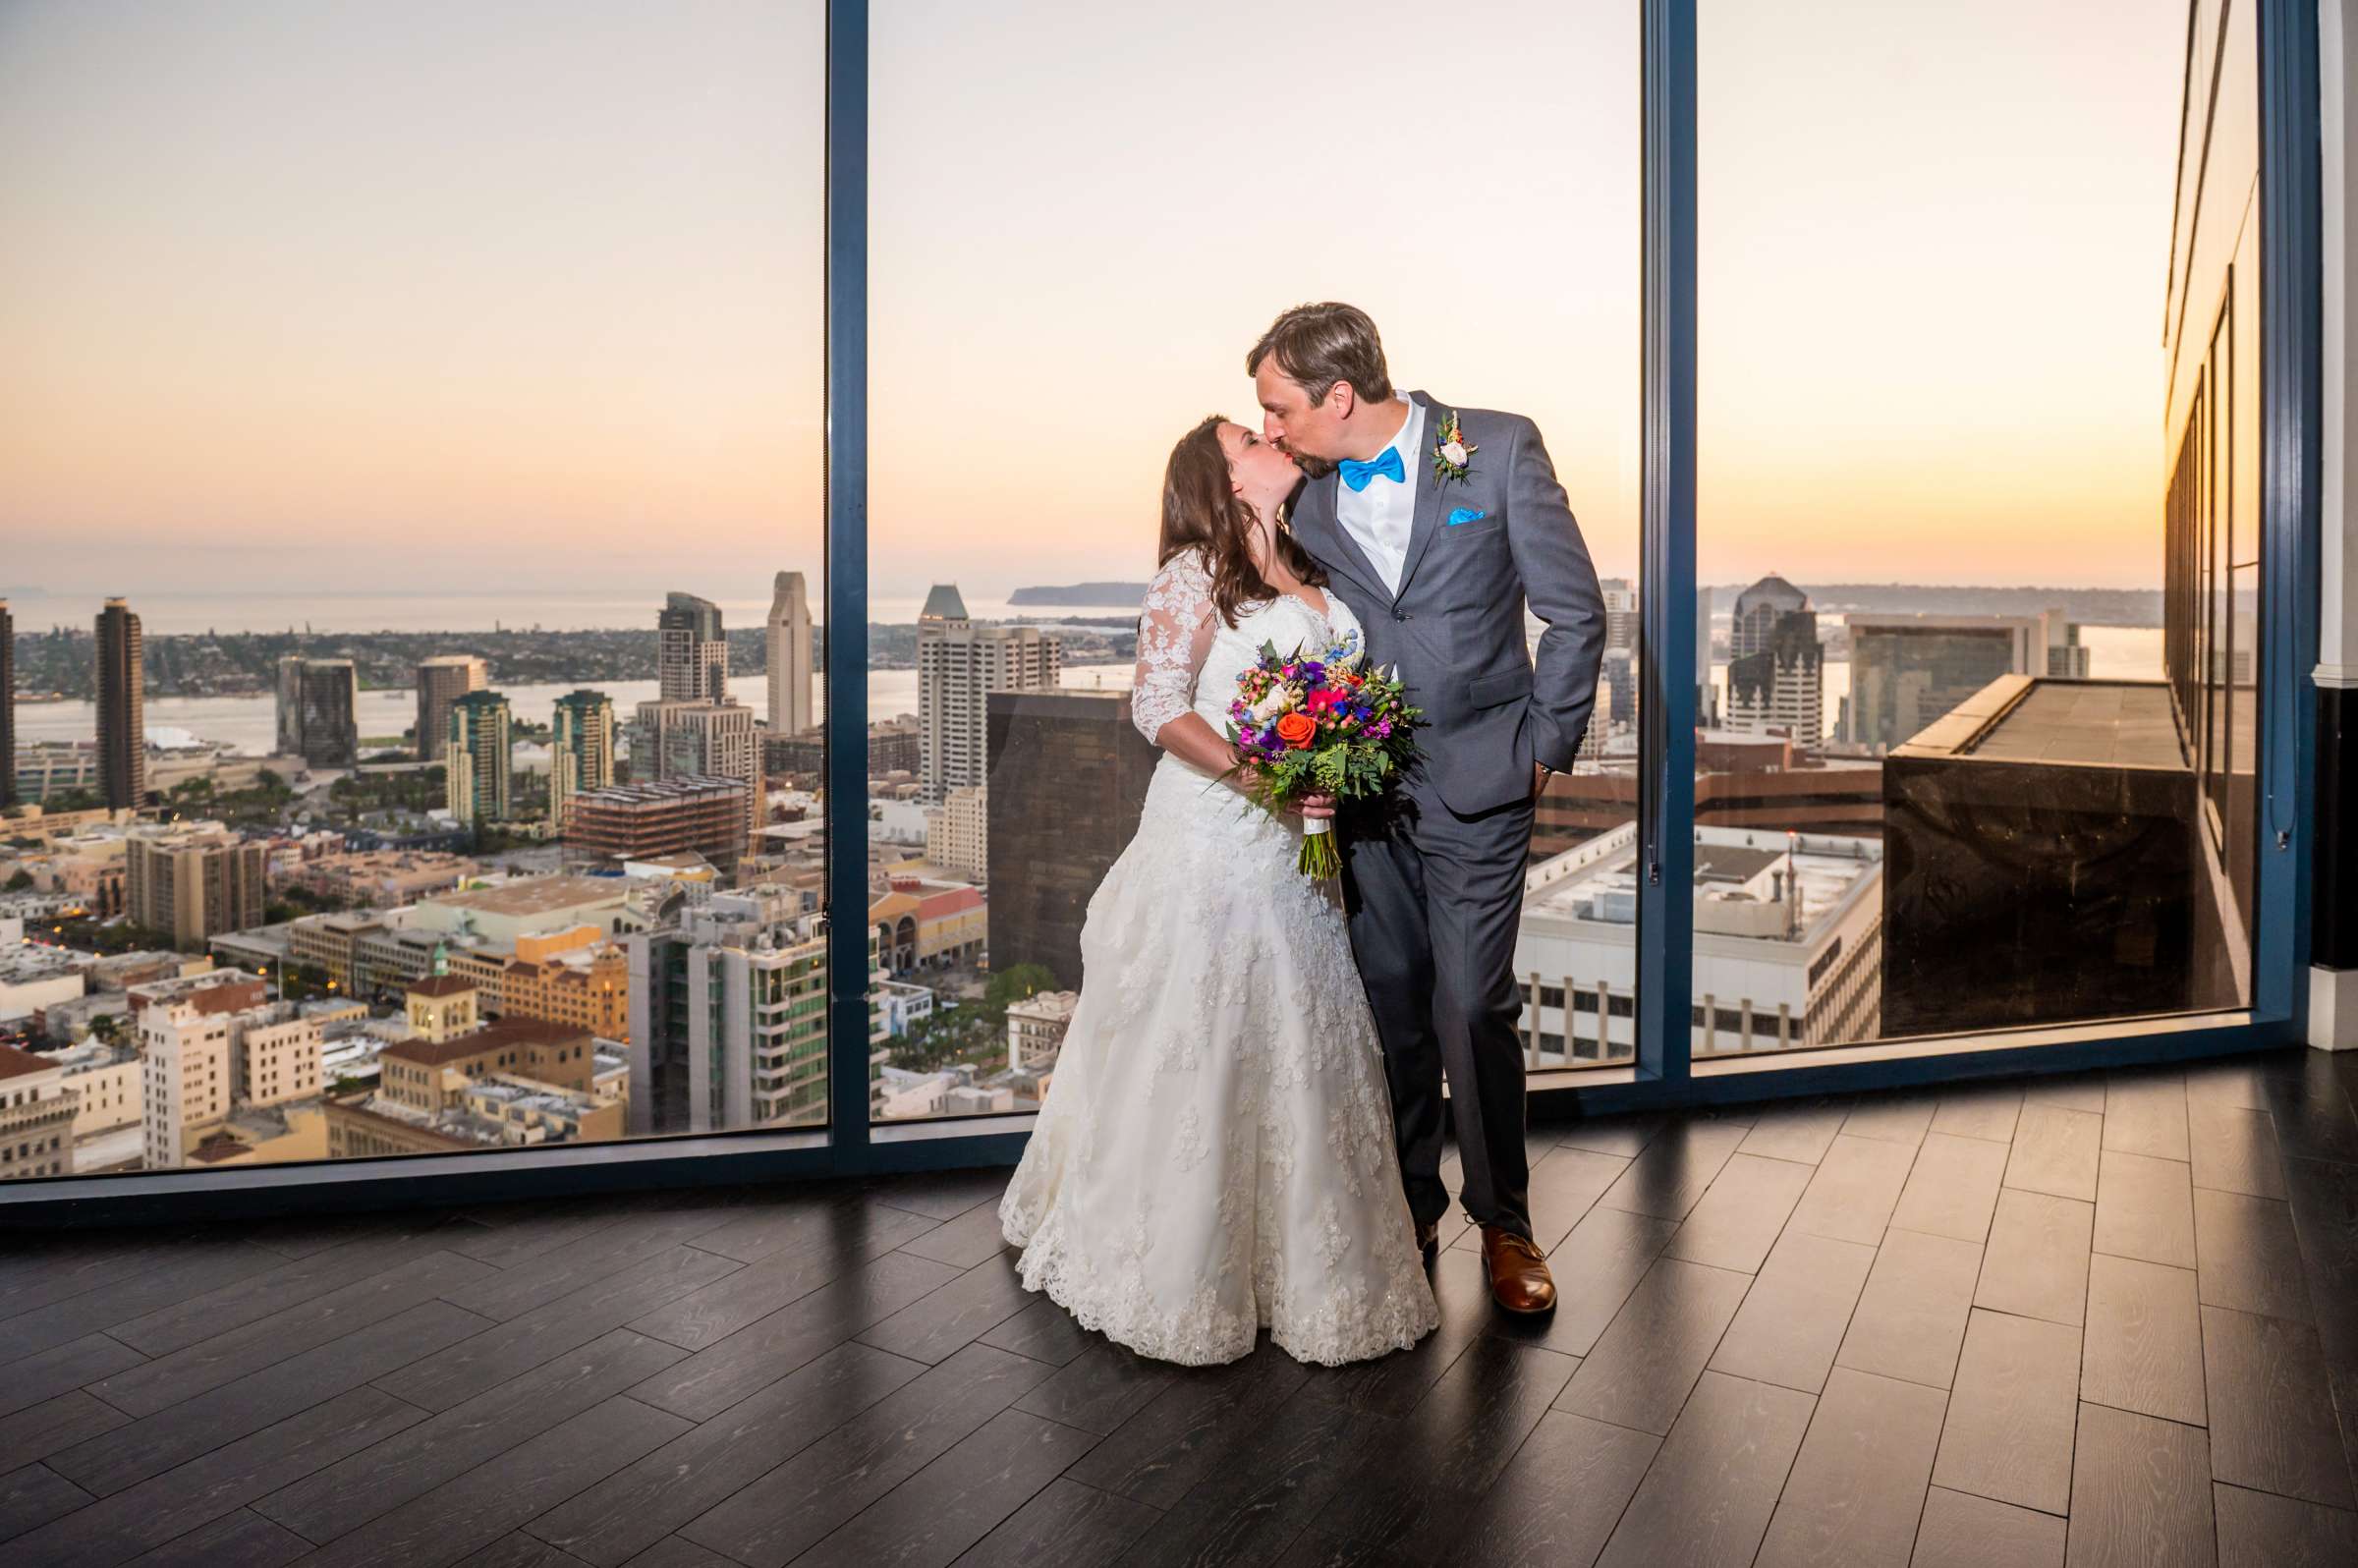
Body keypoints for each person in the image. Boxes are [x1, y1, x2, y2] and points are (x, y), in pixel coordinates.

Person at [998, 415, 1440, 1368]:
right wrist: (1264, 776)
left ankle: (1295, 1261)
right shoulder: (1193, 574)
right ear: (1227, 478)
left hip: (1302, 845)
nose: (1274, 436)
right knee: (1206, 1029)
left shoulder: (1315, 569)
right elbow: (1154, 703)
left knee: (1299, 1028)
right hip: (1213, 835)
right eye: (1252, 433)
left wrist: (1337, 762)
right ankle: (1176, 1256)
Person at [1252, 302, 1607, 1315]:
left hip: (1484, 784)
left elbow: (1575, 611)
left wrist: (1545, 748)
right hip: (1365, 795)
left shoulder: (1495, 449)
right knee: (1392, 1004)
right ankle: (1409, 1205)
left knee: (1469, 1004)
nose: (1274, 429)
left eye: (1281, 409)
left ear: (1340, 395)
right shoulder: (1309, 502)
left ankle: (1506, 1223)